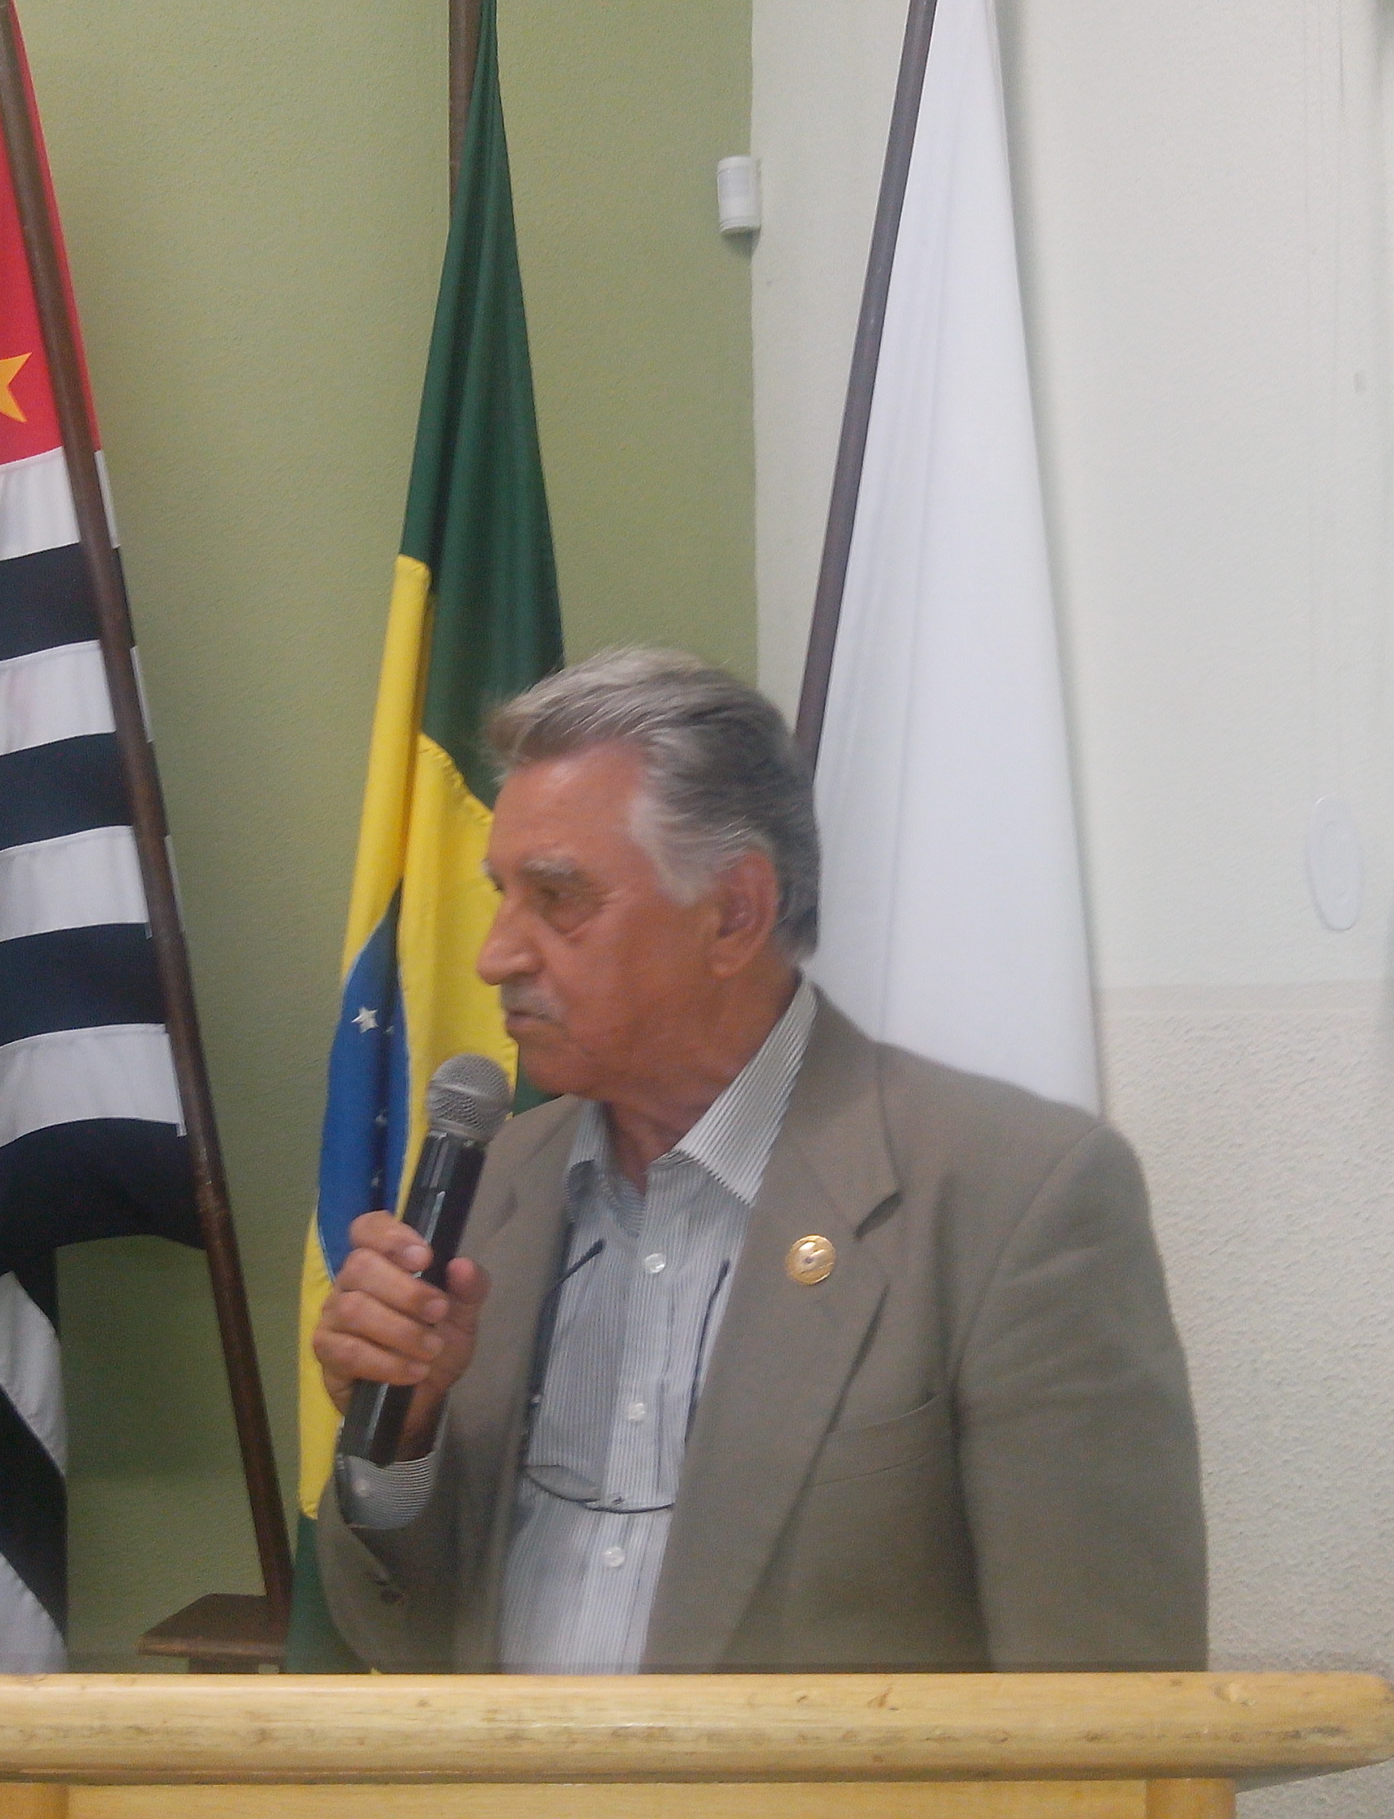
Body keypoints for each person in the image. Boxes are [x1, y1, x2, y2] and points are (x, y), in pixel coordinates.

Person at [310, 648, 1204, 1674]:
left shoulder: (1015, 1200)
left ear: (734, 913)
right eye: (501, 894)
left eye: (556, 897)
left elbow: (1106, 1702)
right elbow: (406, 1640)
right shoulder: (495, 1180)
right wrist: (400, 1436)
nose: (495, 955)